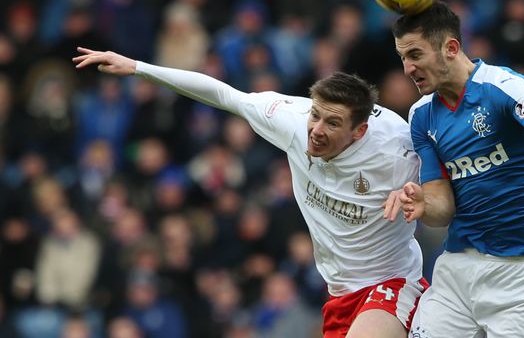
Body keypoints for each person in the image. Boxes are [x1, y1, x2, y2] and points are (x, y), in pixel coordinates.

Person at [73, 47, 427, 338]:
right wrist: (137, 67)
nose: (316, 130)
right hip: (339, 294)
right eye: (315, 115)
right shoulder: (291, 119)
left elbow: (453, 186)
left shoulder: (398, 151)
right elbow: (223, 94)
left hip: (393, 283)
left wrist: (424, 200)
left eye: (332, 123)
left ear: (359, 131)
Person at [383, 1, 524, 337]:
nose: (408, 68)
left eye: (415, 55)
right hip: (458, 267)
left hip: (522, 272)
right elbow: (442, 208)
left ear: (450, 47)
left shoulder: (502, 87)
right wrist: (424, 203)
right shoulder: (421, 115)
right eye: (403, 58)